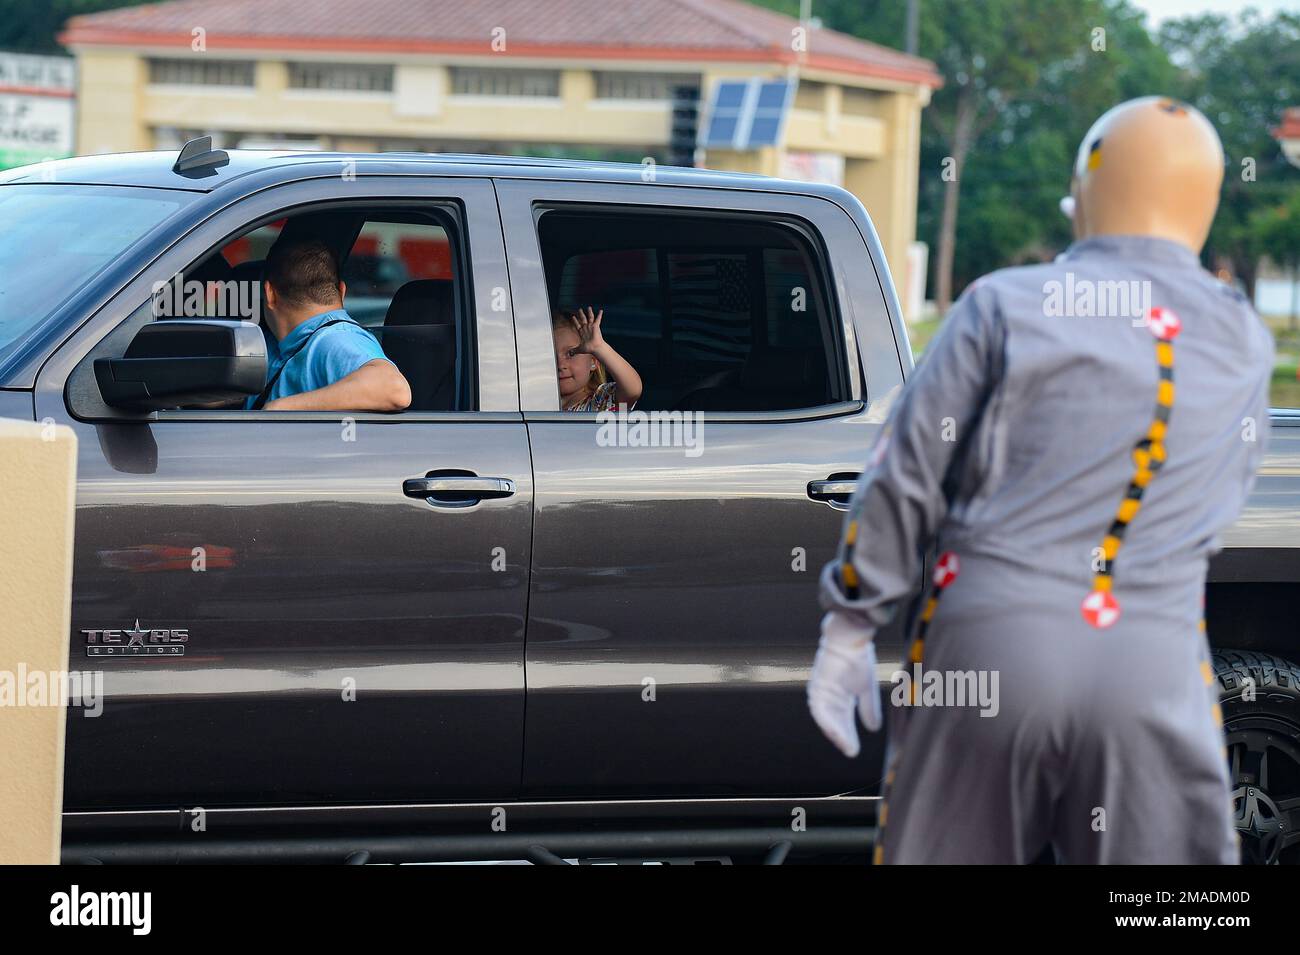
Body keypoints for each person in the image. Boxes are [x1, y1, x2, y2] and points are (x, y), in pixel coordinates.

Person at [807, 97, 1274, 864]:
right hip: (1154, 658)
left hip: (993, 641)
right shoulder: (1245, 338)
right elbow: (1224, 490)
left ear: (1083, 192)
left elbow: (905, 471)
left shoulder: (1001, 304)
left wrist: (852, 616)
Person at [248, 239, 411, 412]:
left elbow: (394, 389)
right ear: (341, 290)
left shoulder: (335, 339)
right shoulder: (278, 343)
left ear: (270, 294)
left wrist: (281, 407)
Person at [552, 306, 642, 411]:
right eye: (551, 356)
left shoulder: (600, 401)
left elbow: (632, 390)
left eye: (571, 353)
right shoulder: (534, 404)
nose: (560, 365)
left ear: (593, 362)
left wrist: (599, 347)